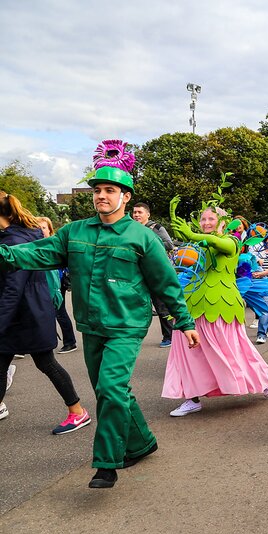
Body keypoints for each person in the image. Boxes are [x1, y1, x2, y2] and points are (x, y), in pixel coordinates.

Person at [0, 140, 200, 488]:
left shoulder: (142, 238)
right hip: (91, 326)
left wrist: (183, 322)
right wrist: (5, 255)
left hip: (127, 326)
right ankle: (142, 443)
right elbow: (38, 251)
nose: (101, 196)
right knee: (112, 391)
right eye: (97, 190)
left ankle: (108, 462)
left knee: (109, 387)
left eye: (110, 190)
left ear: (125, 196)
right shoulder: (75, 231)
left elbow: (166, 284)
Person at [164, 197, 268, 417]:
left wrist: (194, 235)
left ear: (223, 222)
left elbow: (219, 245)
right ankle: (192, 397)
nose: (206, 222)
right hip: (194, 303)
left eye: (211, 218)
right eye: (202, 218)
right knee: (187, 350)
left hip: (222, 304)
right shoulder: (198, 245)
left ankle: (262, 378)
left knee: (232, 349)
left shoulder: (232, 242)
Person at [0, 194, 91, 434]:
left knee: (46, 363)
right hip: (26, 314)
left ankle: (78, 412)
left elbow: (12, 288)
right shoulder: (19, 235)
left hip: (26, 316)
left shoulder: (15, 241)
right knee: (5, 364)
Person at [132, 202, 175, 347]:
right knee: (135, 306)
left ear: (148, 214)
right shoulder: (132, 229)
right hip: (139, 274)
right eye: (135, 212)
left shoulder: (156, 228)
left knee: (161, 307)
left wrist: (149, 246)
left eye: (139, 212)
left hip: (156, 273)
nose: (136, 215)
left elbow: (169, 244)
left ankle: (169, 336)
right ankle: (130, 337)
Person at [35, 217, 77, 353]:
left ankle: (70, 342)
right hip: (42, 283)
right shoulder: (35, 245)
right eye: (38, 228)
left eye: (43, 228)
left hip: (58, 283)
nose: (40, 231)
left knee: (60, 312)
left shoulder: (54, 244)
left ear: (49, 229)